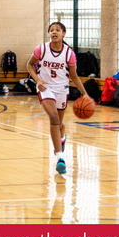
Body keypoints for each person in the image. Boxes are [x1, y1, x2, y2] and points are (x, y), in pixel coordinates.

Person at [30, 21, 78, 174]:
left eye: (57, 30)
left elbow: (74, 76)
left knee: (59, 123)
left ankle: (61, 138)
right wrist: (37, 80)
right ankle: (60, 158)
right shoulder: (42, 49)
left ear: (63, 33)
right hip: (45, 87)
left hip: (62, 88)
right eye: (51, 30)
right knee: (53, 117)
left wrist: (85, 94)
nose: (54, 32)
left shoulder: (69, 53)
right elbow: (29, 65)